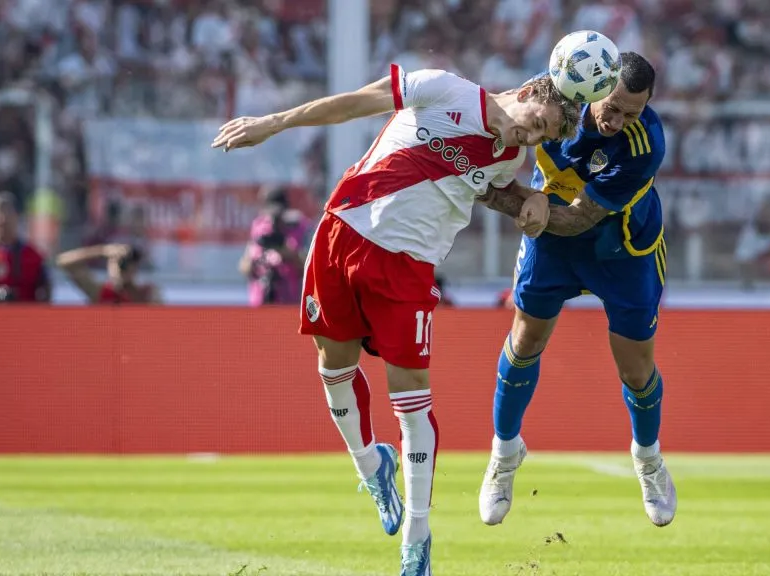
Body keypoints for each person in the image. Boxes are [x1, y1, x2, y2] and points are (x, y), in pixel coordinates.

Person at [211, 63, 580, 576]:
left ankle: (418, 538)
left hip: (407, 267)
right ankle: (371, 464)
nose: (532, 135)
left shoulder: (510, 157)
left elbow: (490, 190)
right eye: (538, 121)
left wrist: (532, 197)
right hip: (342, 228)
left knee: (410, 399)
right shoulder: (445, 89)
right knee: (332, 368)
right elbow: (355, 102)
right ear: (525, 92)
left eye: (545, 136)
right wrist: (273, 123)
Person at [476, 52, 676, 528]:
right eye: (614, 107)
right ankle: (504, 455)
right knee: (525, 342)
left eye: (633, 112)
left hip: (622, 247)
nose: (619, 121)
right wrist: (475, 172)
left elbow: (576, 218)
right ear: (593, 87)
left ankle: (649, 462)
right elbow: (497, 129)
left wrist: (490, 194)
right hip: (552, 243)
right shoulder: (552, 101)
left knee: (635, 368)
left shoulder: (645, 144)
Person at [238, 186, 312, 306]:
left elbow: (311, 269)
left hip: (289, 303)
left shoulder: (299, 227)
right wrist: (254, 260)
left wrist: (286, 252)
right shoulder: (259, 226)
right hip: (260, 302)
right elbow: (244, 267)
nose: (273, 218)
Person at [0, 192, 51, 304]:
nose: (1, 219)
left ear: (17, 216)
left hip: (21, 317)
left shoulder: (33, 257)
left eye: (7, 213)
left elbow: (45, 294)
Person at [56, 243, 161, 304]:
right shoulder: (102, 293)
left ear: (135, 268)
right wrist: (102, 251)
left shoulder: (148, 294)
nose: (122, 268)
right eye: (117, 263)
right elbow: (63, 261)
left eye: (126, 264)